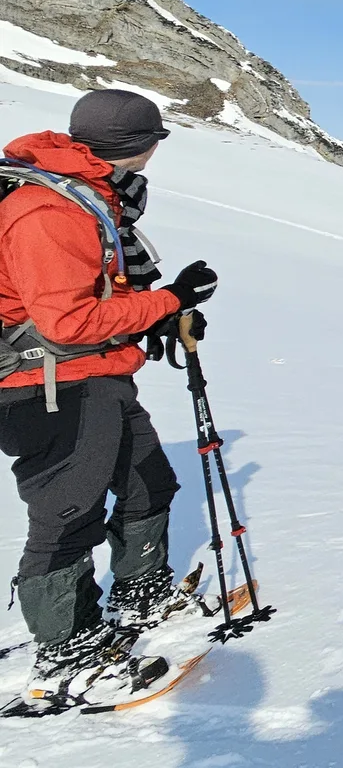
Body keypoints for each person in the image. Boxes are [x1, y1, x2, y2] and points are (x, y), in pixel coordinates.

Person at [0, 90, 220, 704]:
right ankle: (64, 649)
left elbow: (94, 295)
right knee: (68, 516)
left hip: (94, 374)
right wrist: (169, 301)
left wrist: (150, 317)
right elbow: (66, 321)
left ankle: (141, 592)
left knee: (151, 481)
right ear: (139, 146)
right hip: (47, 386)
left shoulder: (88, 192)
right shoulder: (46, 210)